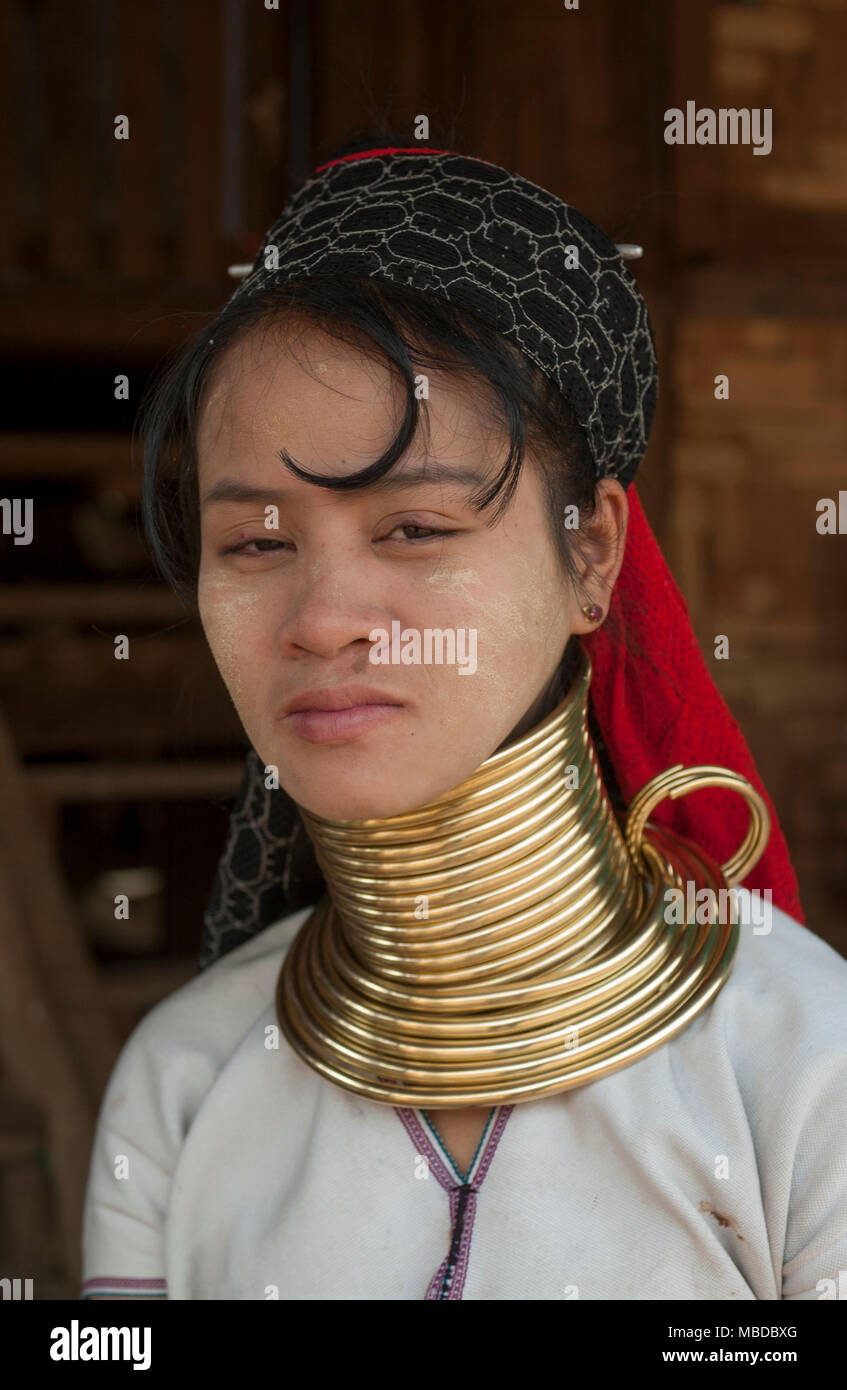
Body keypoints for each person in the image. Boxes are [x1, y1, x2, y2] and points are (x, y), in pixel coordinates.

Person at [80, 136, 847, 1301]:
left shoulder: (804, 1065)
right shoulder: (180, 1089)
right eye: (258, 542)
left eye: (416, 529)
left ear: (590, 551)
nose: (323, 618)